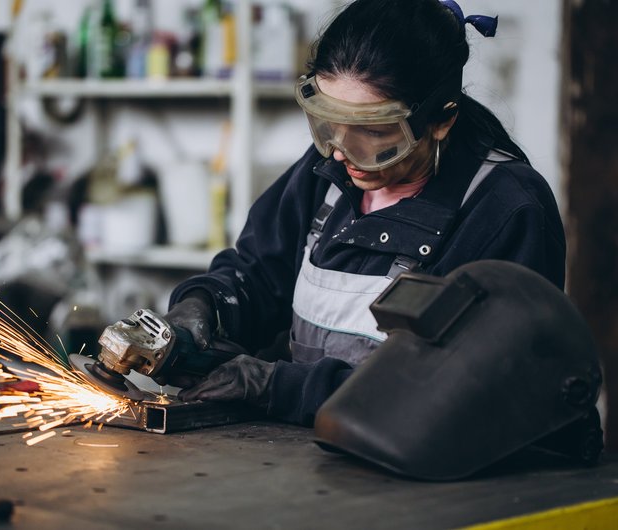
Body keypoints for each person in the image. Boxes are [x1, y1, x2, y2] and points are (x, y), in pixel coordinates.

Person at [163, 0, 565, 425]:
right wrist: (206, 303)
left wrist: (275, 387)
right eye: (329, 123)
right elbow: (261, 272)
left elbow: (455, 390)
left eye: (372, 131)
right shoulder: (329, 172)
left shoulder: (506, 207)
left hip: (439, 478)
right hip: (314, 457)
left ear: (441, 120)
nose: (339, 151)